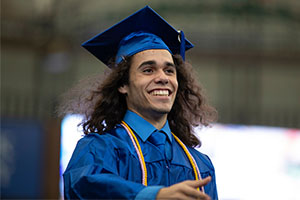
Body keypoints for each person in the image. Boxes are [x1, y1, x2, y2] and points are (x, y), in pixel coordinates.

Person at [62, 6, 218, 200]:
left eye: (169, 71)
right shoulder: (100, 150)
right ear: (123, 84)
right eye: (148, 70)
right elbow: (83, 188)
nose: (163, 78)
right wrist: (153, 196)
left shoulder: (200, 165)